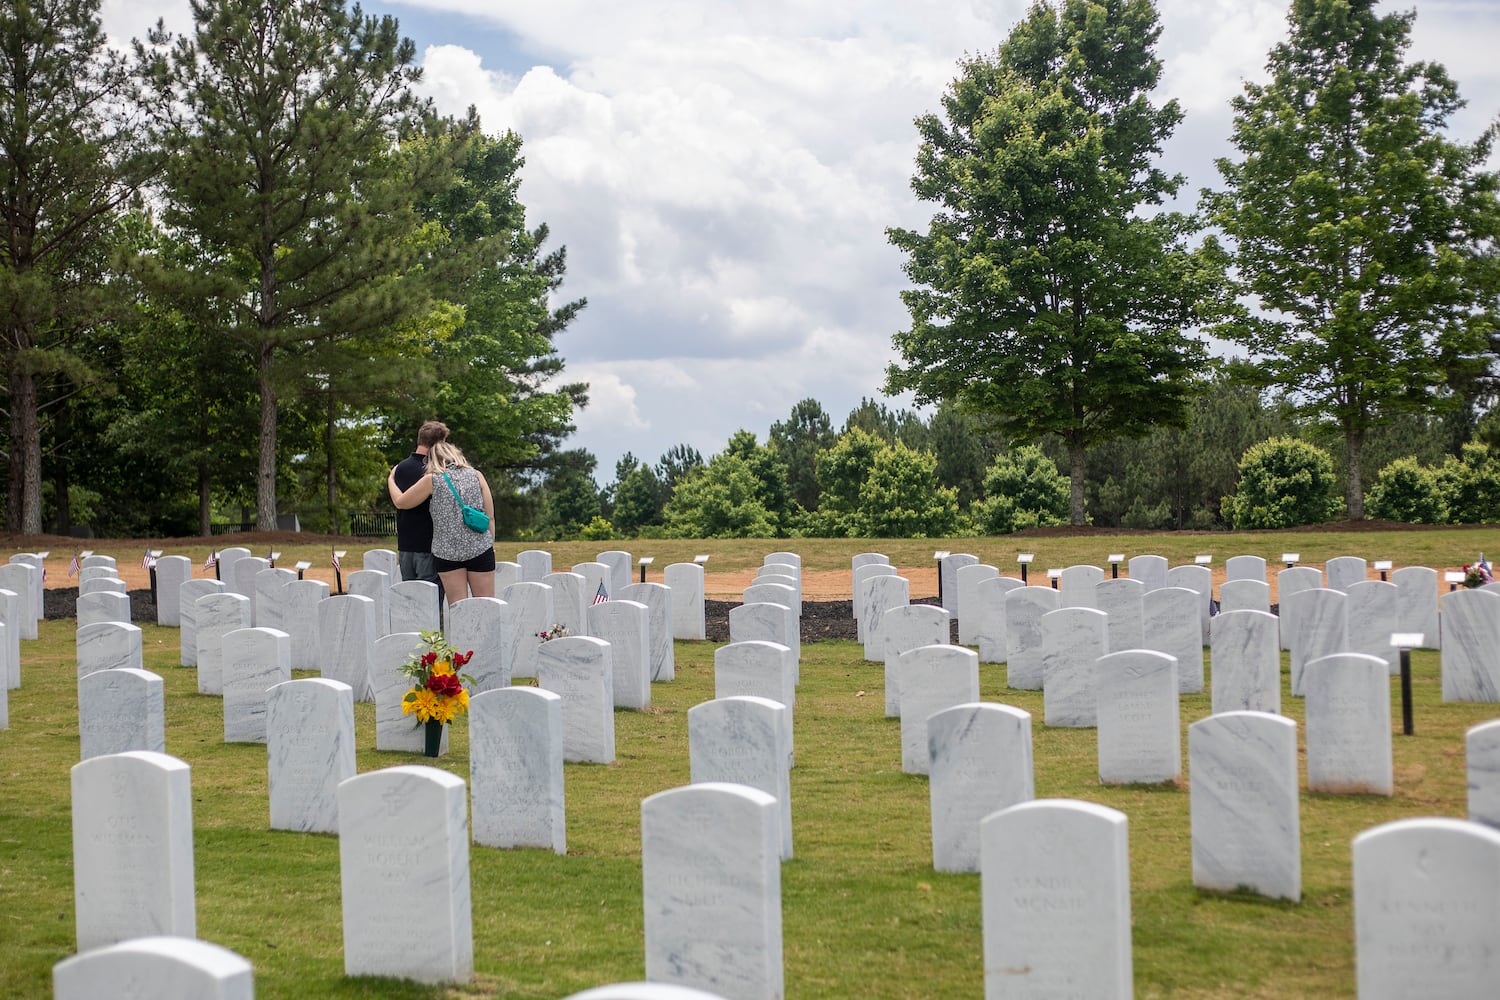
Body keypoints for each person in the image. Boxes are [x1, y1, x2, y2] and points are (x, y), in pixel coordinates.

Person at [387, 438, 497, 601]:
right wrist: (490, 544)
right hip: (480, 548)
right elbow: (490, 517)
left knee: (458, 607)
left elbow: (401, 502)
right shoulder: (477, 475)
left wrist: (391, 479)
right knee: (486, 605)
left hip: (447, 553)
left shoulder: (432, 480)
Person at [391, 420, 448, 589]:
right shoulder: (434, 471)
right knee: (430, 602)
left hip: (405, 545)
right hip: (428, 545)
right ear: (438, 444)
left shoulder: (401, 468)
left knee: (409, 600)